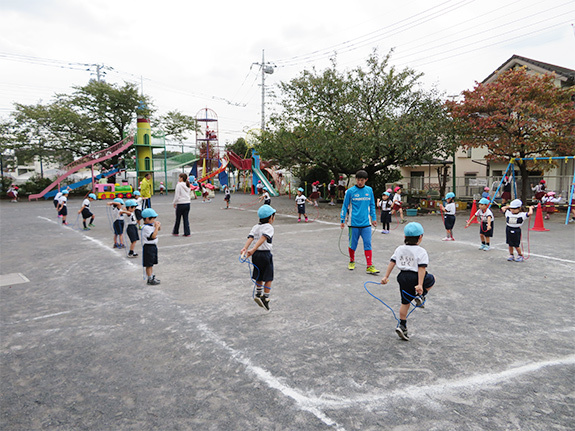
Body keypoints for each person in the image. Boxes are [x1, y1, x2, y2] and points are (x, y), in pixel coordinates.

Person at [381, 222, 435, 341]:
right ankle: (420, 296)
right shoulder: (421, 251)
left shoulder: (399, 249)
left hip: (402, 277)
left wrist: (386, 276)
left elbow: (392, 262)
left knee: (405, 302)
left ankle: (402, 325)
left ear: (404, 237)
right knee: (431, 279)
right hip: (415, 277)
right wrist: (420, 285)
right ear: (420, 237)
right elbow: (421, 268)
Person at [340, 170, 379, 274]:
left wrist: (374, 218)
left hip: (366, 223)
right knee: (353, 244)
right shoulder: (350, 191)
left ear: (366, 180)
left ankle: (369, 265)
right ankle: (352, 261)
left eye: (362, 180)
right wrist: (342, 219)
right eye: (358, 180)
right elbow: (345, 206)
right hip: (353, 224)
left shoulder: (369, 190)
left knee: (368, 244)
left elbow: (372, 205)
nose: (360, 182)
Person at [240, 204, 276, 311]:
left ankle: (258, 293)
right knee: (269, 277)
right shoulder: (269, 227)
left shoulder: (255, 227)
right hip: (265, 254)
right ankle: (265, 297)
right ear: (271, 218)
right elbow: (263, 238)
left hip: (256, 255)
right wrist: (253, 249)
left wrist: (245, 248)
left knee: (259, 274)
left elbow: (251, 238)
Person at [141, 208, 161, 285]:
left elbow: (158, 230)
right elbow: (153, 236)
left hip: (153, 246)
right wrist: (156, 227)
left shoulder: (150, 225)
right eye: (152, 219)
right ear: (147, 219)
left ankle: (152, 276)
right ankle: (150, 278)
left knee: (151, 263)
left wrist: (158, 226)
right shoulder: (146, 228)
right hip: (148, 247)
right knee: (149, 264)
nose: (154, 220)